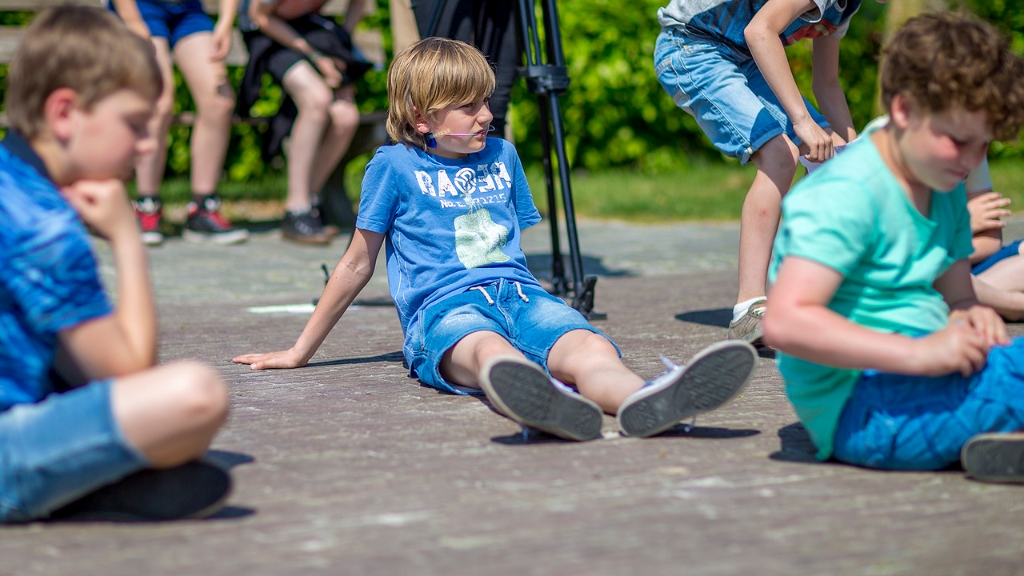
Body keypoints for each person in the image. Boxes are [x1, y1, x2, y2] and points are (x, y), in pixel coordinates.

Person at [234, 38, 757, 441]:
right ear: (422, 118)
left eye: (485, 101)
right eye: (468, 107)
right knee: (489, 352)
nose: (486, 114)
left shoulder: (502, 155)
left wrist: (538, 307)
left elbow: (512, 249)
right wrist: (301, 351)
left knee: (589, 349)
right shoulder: (393, 165)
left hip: (522, 295)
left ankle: (647, 400)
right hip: (443, 311)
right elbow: (355, 264)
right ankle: (543, 403)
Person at [762, 12, 1024, 481]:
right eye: (959, 140)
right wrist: (920, 355)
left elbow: (959, 294)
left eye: (983, 147)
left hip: (928, 379)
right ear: (903, 110)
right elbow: (785, 322)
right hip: (866, 408)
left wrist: (972, 313)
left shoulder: (938, 178)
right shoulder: (845, 195)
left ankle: (1002, 438)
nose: (971, 162)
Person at [0, 6, 231, 522]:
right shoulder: (43, 227)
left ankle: (86, 475)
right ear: (65, 113)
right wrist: (127, 237)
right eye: (134, 124)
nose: (148, 144)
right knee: (196, 396)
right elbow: (131, 372)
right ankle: (71, 485)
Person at [654, 0, 871, 346]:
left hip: (743, 56)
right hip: (692, 46)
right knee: (780, 155)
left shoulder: (844, 7)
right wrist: (802, 121)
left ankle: (827, 293)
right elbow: (760, 31)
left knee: (834, 163)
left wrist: (856, 153)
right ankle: (749, 309)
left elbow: (826, 83)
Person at [110, 0, 250, 245]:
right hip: (139, 8)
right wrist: (133, 23)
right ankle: (146, 206)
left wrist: (226, 23)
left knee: (219, 102)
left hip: (187, 9)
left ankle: (202, 209)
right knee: (159, 101)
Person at [237, 0, 372, 244]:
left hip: (309, 30)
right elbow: (260, 16)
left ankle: (309, 200)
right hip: (269, 32)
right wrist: (317, 56)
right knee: (316, 99)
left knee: (346, 116)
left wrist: (341, 46)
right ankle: (296, 208)